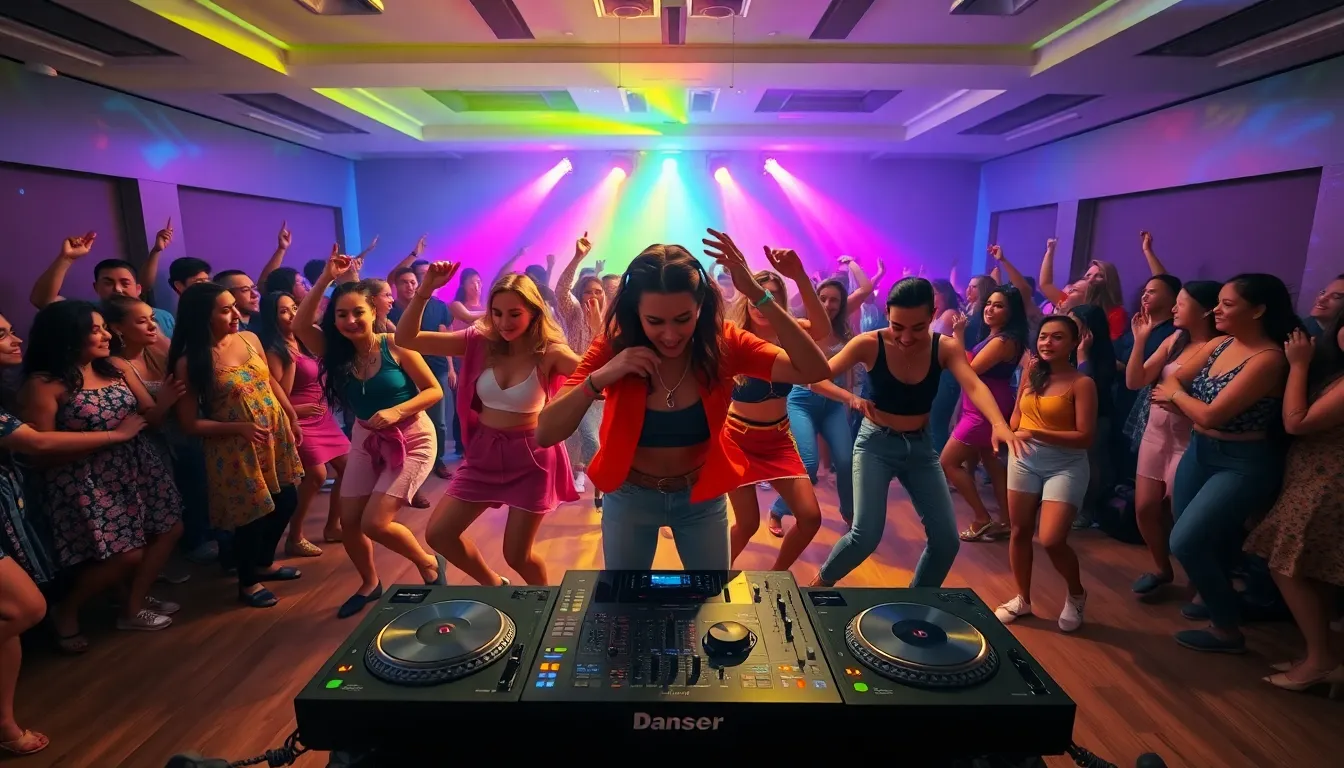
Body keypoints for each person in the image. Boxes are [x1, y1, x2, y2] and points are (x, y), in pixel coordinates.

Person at [537, 229, 831, 570]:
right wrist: (602, 376)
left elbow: (812, 368)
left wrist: (756, 293)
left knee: (707, 602)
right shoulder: (615, 344)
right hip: (629, 495)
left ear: (700, 308)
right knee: (627, 603)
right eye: (654, 321)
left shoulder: (723, 343)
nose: (670, 334)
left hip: (700, 497)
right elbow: (545, 432)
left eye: (682, 319)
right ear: (636, 312)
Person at [0, 311, 150, 757]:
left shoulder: (108, 368)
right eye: (2, 334)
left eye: (11, 329)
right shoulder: (44, 383)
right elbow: (39, 444)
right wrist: (114, 437)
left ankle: (5, 725)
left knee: (18, 614)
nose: (14, 338)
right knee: (26, 608)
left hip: (17, 505)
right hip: (77, 482)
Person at [811, 277, 1022, 588]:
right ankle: (818, 586)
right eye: (898, 327)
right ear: (887, 312)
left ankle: (917, 603)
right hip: (875, 446)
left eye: (918, 328)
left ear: (933, 315)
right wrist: (851, 397)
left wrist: (1000, 424)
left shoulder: (944, 347)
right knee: (865, 536)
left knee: (946, 542)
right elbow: (817, 378)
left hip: (921, 450)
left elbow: (974, 384)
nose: (907, 337)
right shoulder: (869, 343)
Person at [399, 266, 579, 586]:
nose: (504, 323)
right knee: (439, 534)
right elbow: (406, 338)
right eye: (496, 313)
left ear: (534, 312)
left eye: (514, 314)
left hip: (532, 457)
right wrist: (425, 289)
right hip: (484, 451)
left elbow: (599, 383)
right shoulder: (479, 341)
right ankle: (494, 585)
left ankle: (545, 603)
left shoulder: (550, 352)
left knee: (517, 555)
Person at [294, 251, 447, 618]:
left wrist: (397, 409)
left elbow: (433, 391)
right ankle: (369, 583)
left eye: (357, 312)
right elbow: (301, 325)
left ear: (375, 312)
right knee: (350, 522)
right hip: (365, 437)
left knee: (375, 523)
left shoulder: (395, 345)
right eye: (341, 314)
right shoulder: (335, 352)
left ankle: (428, 563)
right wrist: (326, 278)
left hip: (412, 437)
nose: (349, 320)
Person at [1154, 273, 1298, 653]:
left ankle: (1226, 628)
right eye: (1217, 302)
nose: (1216, 309)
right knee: (1197, 535)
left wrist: (1178, 397)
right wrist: (1179, 395)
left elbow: (1210, 413)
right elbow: (1172, 380)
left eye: (1227, 304)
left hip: (1243, 460)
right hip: (1201, 451)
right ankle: (1214, 599)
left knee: (1185, 540)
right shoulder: (1220, 344)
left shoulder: (1269, 359)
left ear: (1259, 311)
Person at [169, 283, 305, 609]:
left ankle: (264, 561)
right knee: (252, 516)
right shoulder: (191, 362)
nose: (235, 314)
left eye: (234, 306)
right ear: (203, 316)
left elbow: (269, 382)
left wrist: (290, 416)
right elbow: (189, 423)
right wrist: (239, 427)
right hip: (234, 446)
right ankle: (248, 582)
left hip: (272, 435)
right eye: (225, 309)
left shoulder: (249, 338)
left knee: (287, 501)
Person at [1244, 315, 1344, 694]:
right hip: (1315, 476)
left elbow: (1297, 422)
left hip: (1328, 482)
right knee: (1313, 568)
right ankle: (1323, 657)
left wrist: (1299, 365)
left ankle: (1320, 660)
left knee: (1287, 562)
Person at [723, 253, 831, 571]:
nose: (759, 304)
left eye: (768, 296)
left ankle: (775, 578)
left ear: (778, 301)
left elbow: (823, 329)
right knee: (747, 525)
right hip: (737, 440)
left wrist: (799, 276)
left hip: (778, 439)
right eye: (755, 296)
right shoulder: (733, 335)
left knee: (810, 517)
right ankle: (711, 580)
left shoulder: (790, 333)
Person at [995, 315, 1097, 632]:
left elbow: (1085, 437)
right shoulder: (1032, 371)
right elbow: (1016, 415)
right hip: (1024, 458)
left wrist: (1035, 433)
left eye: (1056, 337)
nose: (1047, 343)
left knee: (1052, 539)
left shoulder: (1082, 383)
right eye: (1042, 337)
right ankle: (1022, 599)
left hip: (1065, 464)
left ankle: (1077, 594)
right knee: (1020, 531)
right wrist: (1008, 433)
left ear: (1073, 343)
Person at [1125, 281, 1221, 595]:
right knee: (1144, 508)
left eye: (1181, 302)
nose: (1175, 308)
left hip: (1188, 438)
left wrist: (1176, 397)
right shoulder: (1176, 338)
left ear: (1206, 309)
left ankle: (1200, 583)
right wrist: (1141, 341)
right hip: (1156, 435)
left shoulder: (1220, 345)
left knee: (1182, 515)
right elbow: (1135, 380)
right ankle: (1161, 568)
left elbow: (1176, 385)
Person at [257, 291, 350, 554]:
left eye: (294, 307)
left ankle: (333, 527)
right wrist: (296, 410)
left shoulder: (306, 339)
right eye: (283, 311)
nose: (291, 314)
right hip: (298, 418)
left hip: (323, 417)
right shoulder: (275, 350)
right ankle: (294, 537)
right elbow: (276, 397)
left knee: (350, 468)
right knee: (316, 475)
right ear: (271, 318)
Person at [943, 280, 1029, 542]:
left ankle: (982, 517)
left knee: (948, 462)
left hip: (984, 407)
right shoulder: (997, 337)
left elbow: (970, 369)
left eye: (998, 306)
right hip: (983, 401)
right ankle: (1006, 520)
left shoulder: (1003, 341)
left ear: (1011, 312)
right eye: (989, 303)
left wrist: (957, 337)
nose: (990, 309)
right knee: (992, 463)